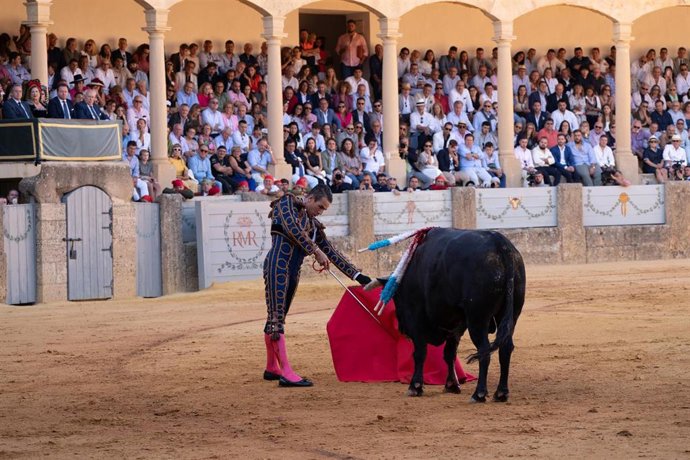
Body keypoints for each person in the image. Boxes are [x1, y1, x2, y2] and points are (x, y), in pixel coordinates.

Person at [263, 184, 371, 387]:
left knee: (279, 316)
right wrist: (315, 251)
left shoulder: (313, 226)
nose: (320, 212)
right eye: (320, 207)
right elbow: (292, 228)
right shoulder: (286, 203)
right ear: (310, 198)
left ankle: (271, 367)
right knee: (277, 318)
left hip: (291, 273)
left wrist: (359, 276)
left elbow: (330, 251)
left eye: (324, 210)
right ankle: (285, 371)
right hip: (277, 266)